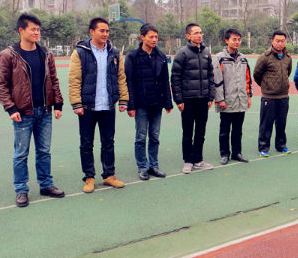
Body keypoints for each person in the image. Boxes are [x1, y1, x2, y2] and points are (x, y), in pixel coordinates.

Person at [0, 13, 65, 207]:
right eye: (33, 29)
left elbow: (53, 80)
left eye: (38, 29)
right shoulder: (9, 55)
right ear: (21, 30)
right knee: (21, 153)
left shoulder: (46, 53)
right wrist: (11, 108)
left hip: (45, 111)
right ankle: (21, 190)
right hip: (22, 113)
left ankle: (46, 185)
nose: (37, 32)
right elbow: (2, 85)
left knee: (44, 151)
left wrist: (58, 104)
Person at [68, 17, 129, 193]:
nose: (105, 34)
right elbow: (74, 80)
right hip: (87, 107)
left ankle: (109, 175)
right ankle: (89, 177)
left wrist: (123, 99)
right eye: (102, 30)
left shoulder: (114, 53)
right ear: (92, 32)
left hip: (108, 106)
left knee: (108, 142)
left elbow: (121, 78)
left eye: (107, 31)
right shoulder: (80, 52)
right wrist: (76, 103)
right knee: (86, 144)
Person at [125, 24, 173, 181]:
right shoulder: (132, 56)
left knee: (155, 137)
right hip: (141, 104)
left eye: (156, 37)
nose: (154, 39)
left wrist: (168, 103)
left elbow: (165, 81)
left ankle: (154, 165)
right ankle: (142, 167)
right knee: (141, 137)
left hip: (157, 103)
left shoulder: (161, 56)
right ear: (142, 37)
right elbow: (128, 82)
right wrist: (131, 105)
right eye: (151, 36)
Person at [171, 23, 215, 173]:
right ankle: (188, 161)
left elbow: (210, 75)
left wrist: (211, 96)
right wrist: (179, 99)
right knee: (188, 132)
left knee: (201, 131)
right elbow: (175, 77)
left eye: (201, 32)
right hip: (188, 99)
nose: (199, 35)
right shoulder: (182, 53)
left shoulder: (206, 53)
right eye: (196, 33)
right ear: (188, 36)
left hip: (203, 99)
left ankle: (198, 159)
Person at [213, 28, 253, 165]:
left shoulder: (243, 58)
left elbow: (248, 79)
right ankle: (224, 154)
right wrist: (220, 99)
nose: (237, 42)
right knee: (225, 130)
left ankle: (237, 153)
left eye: (239, 39)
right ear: (227, 40)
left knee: (238, 130)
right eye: (234, 39)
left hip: (241, 100)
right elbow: (217, 81)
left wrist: (248, 96)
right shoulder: (219, 58)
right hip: (226, 101)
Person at [253, 30, 293, 157]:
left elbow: (288, 72)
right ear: (272, 41)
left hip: (283, 96)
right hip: (269, 97)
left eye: (282, 41)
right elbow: (256, 74)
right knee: (266, 124)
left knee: (281, 123)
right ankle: (263, 147)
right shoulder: (265, 57)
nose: (280, 43)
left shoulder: (288, 57)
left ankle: (281, 145)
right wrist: (267, 86)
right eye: (277, 41)